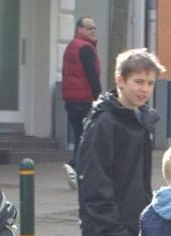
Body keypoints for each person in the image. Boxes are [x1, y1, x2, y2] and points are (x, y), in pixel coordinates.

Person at [71, 48, 164, 236]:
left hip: (136, 226)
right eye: (138, 81)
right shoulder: (104, 123)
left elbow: (137, 180)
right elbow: (94, 179)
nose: (144, 89)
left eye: (149, 83)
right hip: (106, 230)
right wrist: (112, 230)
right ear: (120, 80)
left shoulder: (140, 120)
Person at [61, 16, 102, 190]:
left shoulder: (71, 46)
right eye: (88, 27)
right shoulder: (85, 48)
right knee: (86, 137)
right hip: (83, 100)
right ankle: (74, 166)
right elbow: (91, 74)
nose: (92, 30)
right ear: (79, 29)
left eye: (94, 27)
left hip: (71, 100)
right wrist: (98, 95)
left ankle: (77, 171)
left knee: (80, 135)